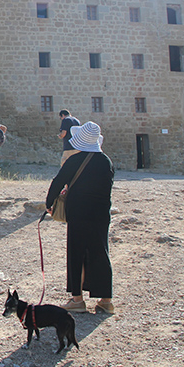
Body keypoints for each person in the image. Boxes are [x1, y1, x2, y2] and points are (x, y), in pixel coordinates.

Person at [45, 121, 114, 314]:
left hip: (79, 213)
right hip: (101, 214)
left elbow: (58, 181)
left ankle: (77, 299)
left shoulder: (74, 161)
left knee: (76, 253)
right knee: (101, 252)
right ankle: (106, 300)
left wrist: (49, 203)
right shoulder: (106, 161)